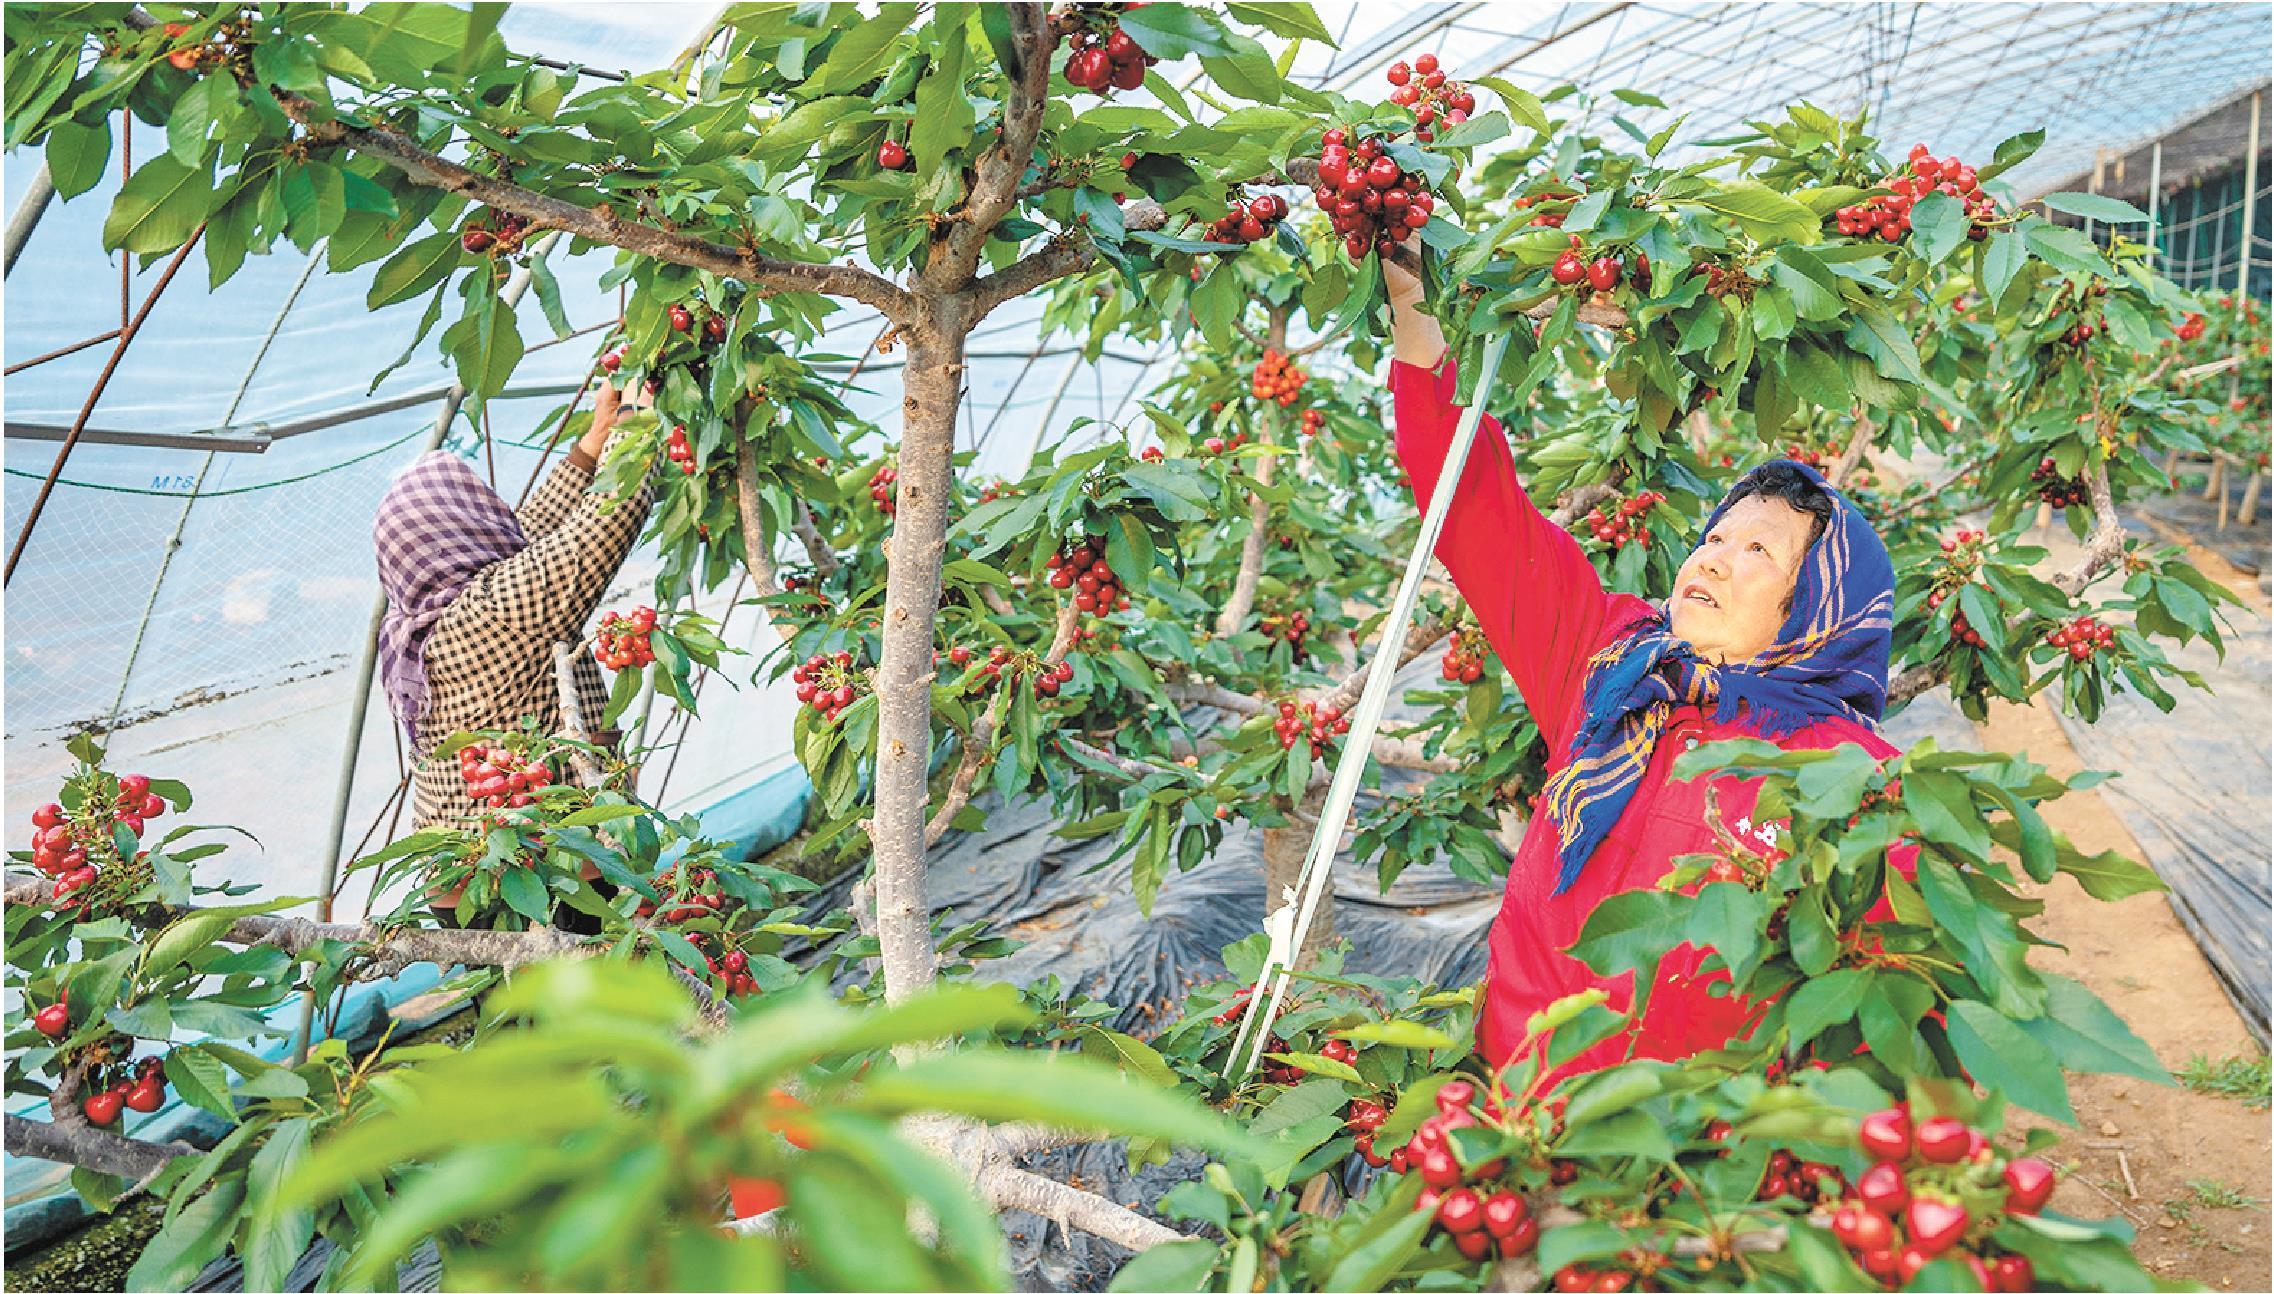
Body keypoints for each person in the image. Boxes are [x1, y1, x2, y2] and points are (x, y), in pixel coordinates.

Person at [1382, 261, 1902, 1075]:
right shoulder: (1615, 666)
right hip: (1516, 1117)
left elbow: (1884, 1019)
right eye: (1715, 536)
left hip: (1692, 1142)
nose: (1715, 558)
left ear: (1819, 609)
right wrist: (1412, 299)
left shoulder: (1852, 781)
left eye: (1759, 549)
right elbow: (1477, 509)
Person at [373, 379, 657, 837]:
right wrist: (636, 423)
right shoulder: (493, 612)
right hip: (545, 861)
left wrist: (595, 441)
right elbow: (605, 522)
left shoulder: (417, 619)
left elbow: (526, 537)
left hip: (463, 854)